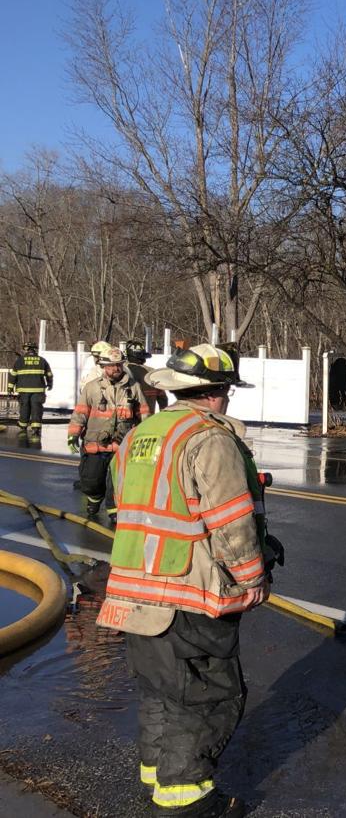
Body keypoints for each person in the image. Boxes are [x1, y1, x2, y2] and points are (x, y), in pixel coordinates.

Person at [96, 344, 274, 818]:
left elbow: (125, 507)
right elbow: (231, 522)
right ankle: (186, 799)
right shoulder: (210, 439)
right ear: (219, 393)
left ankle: (156, 777)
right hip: (187, 595)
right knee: (208, 696)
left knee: (160, 688)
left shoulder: (141, 434)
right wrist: (251, 579)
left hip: (134, 592)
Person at [67, 347, 149, 525]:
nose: (115, 369)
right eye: (111, 366)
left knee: (117, 482)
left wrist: (145, 437)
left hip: (121, 446)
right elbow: (80, 412)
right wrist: (73, 434)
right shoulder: (92, 388)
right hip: (95, 444)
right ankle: (95, 498)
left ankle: (114, 510)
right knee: (91, 480)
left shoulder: (133, 388)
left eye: (118, 365)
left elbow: (144, 414)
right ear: (104, 366)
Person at [9, 343, 52, 447]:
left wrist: (10, 387)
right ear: (34, 350)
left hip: (23, 389)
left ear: (26, 350)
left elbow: (13, 375)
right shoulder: (42, 360)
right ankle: (36, 428)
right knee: (36, 408)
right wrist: (50, 384)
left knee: (25, 407)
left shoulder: (19, 361)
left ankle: (23, 426)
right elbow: (49, 374)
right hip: (38, 389)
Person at [123, 340, 168, 414]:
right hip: (147, 420)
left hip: (124, 419)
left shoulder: (120, 371)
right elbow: (162, 399)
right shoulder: (152, 374)